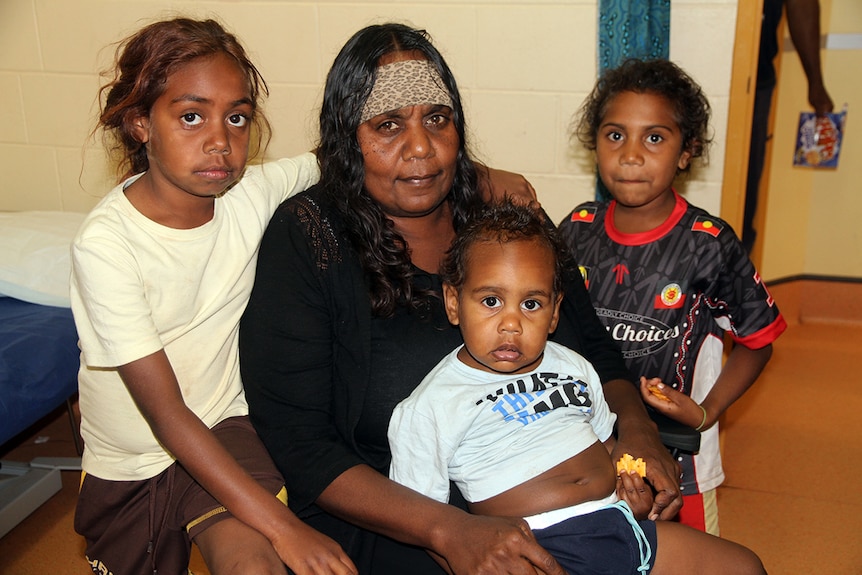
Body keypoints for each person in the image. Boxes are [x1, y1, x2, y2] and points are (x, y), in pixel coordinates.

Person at [240, 23, 683, 575]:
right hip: (395, 518)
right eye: (387, 125)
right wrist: (452, 531)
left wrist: (639, 436)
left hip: (569, 503)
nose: (422, 147)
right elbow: (301, 444)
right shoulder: (311, 238)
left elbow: (589, 343)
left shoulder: (504, 215)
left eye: (438, 119)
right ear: (347, 138)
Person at [70, 18, 358, 575]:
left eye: (237, 117)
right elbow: (168, 416)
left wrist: (481, 173)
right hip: (134, 455)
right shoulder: (106, 246)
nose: (221, 141)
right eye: (191, 116)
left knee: (256, 566)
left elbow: (353, 159)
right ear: (138, 124)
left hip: (225, 427)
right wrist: (285, 526)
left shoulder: (251, 190)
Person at [388, 200, 767, 575]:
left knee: (744, 565)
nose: (511, 324)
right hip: (534, 550)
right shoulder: (431, 405)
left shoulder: (573, 365)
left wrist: (630, 488)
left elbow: (606, 446)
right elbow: (426, 522)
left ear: (555, 313)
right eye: (491, 301)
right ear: (453, 302)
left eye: (532, 305)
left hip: (620, 527)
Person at [558, 58, 787, 534]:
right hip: (584, 443)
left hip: (680, 457)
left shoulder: (708, 242)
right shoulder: (576, 229)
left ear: (687, 151)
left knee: (686, 556)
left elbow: (758, 341)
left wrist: (706, 413)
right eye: (615, 135)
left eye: (655, 137)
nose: (631, 155)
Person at [743, 0, 833, 252]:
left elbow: (801, 3)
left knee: (744, 202)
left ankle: (735, 285)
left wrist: (815, 83)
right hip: (695, 65)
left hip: (757, 82)